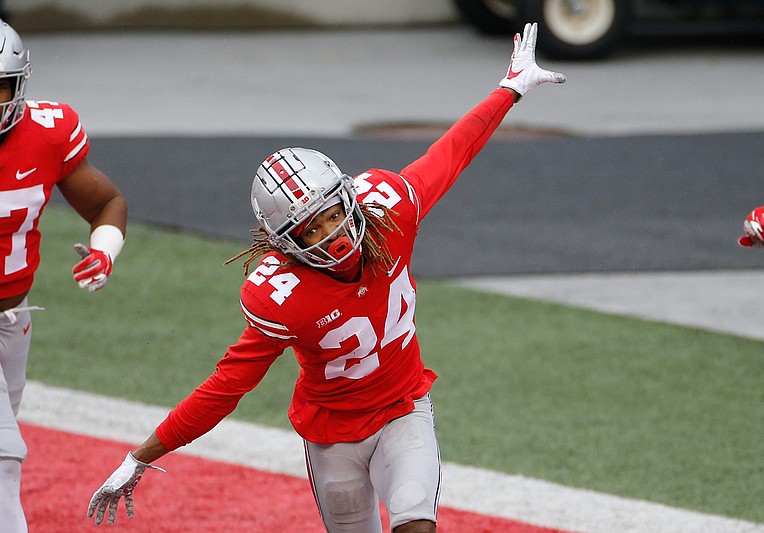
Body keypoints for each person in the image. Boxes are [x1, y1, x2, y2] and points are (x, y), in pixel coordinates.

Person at [86, 22, 564, 532]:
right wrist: (143, 453)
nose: (332, 232)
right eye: (310, 228)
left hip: (403, 411)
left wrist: (509, 89)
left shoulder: (390, 210)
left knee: (415, 520)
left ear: (348, 197)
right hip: (332, 435)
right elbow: (226, 386)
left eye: (333, 212)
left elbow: (450, 153)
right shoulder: (283, 296)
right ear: (284, 242)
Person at [0, 18, 127, 532]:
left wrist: (104, 250)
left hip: (14, 320)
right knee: (3, 456)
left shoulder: (49, 132)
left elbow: (106, 202)